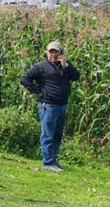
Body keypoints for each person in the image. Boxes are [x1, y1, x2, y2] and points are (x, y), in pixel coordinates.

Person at [20, 41, 80, 172]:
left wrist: (67, 66)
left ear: (60, 53)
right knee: (48, 135)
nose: (53, 54)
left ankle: (53, 161)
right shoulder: (41, 66)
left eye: (55, 51)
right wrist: (38, 91)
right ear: (46, 52)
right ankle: (48, 163)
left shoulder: (64, 66)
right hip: (48, 106)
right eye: (50, 51)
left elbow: (76, 77)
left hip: (62, 106)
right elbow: (24, 79)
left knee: (57, 136)